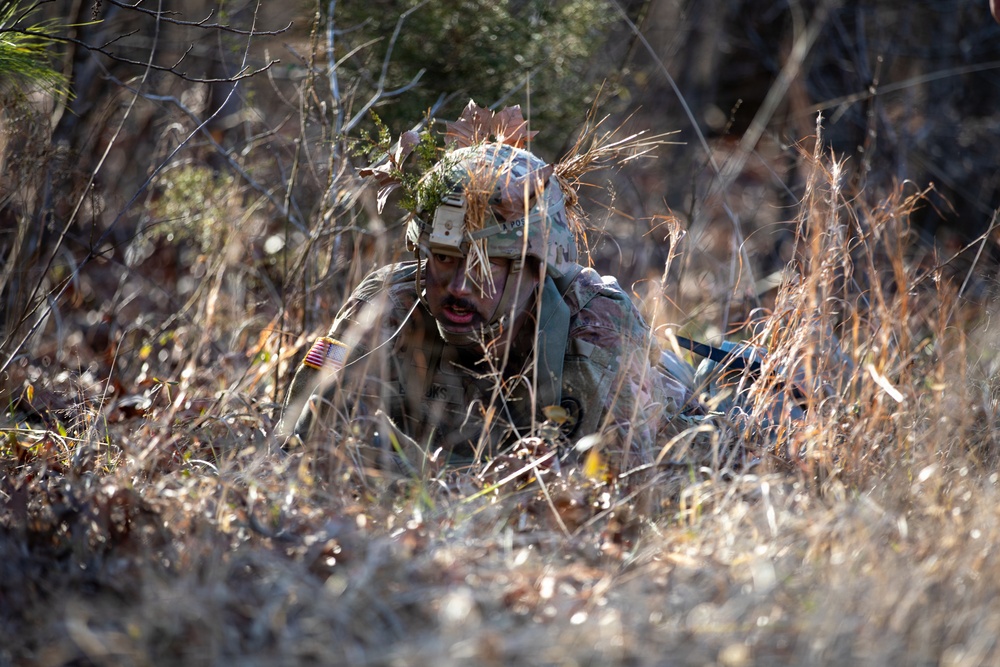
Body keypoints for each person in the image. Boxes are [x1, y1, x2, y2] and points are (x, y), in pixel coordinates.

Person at [277, 108, 706, 475]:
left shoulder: (593, 327)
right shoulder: (388, 303)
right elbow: (302, 446)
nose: (460, 286)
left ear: (539, 272)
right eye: (445, 259)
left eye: (491, 265)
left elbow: (624, 486)